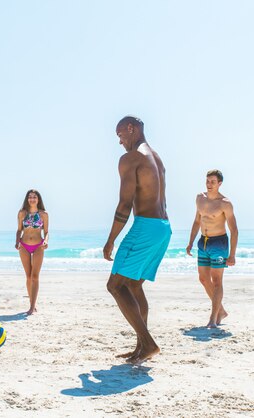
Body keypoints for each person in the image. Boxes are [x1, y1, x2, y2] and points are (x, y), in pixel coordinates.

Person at [103, 116, 171, 364]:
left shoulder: (130, 159)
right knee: (132, 285)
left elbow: (124, 203)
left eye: (120, 135)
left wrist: (111, 239)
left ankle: (149, 343)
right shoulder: (156, 157)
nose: (120, 142)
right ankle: (142, 347)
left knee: (115, 285)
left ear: (131, 129)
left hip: (146, 226)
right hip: (164, 228)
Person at [186, 169, 238, 328]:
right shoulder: (199, 199)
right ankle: (221, 310)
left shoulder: (225, 203)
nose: (209, 184)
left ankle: (213, 318)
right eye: (208, 181)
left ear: (219, 183)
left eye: (213, 182)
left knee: (217, 281)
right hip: (203, 242)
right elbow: (196, 221)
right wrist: (190, 242)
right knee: (203, 279)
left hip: (219, 243)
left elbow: (234, 229)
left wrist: (232, 254)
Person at [15, 189, 49, 315]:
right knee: (28, 276)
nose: (32, 199)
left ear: (38, 199)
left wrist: (45, 241)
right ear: (27, 199)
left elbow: (46, 232)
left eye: (34, 197)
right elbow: (19, 230)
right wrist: (17, 241)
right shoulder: (22, 213)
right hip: (24, 246)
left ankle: (32, 307)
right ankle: (32, 304)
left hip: (38, 246)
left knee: (35, 276)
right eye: (30, 197)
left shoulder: (44, 214)